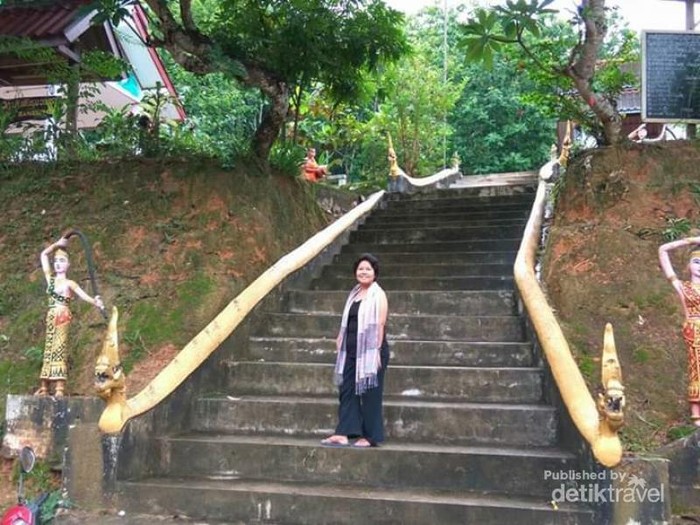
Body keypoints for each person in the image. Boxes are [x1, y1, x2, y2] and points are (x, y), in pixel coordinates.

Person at [321, 253, 389, 448]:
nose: (363, 272)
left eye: (368, 269)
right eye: (360, 269)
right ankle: (344, 432)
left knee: (370, 393)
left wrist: (376, 350)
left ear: (374, 273)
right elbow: (348, 322)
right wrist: (340, 338)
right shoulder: (354, 294)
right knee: (347, 390)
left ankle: (370, 436)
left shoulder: (378, 294)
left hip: (371, 352)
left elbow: (380, 324)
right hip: (350, 352)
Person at [35, 235, 104, 398]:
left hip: (62, 315)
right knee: (49, 348)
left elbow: (83, 295)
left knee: (59, 347)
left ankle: (59, 386)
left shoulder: (69, 283)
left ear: (68, 264)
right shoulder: (51, 280)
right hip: (52, 315)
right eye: (56, 261)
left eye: (62, 261)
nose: (58, 264)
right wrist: (57, 244)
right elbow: (43, 255)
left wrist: (95, 301)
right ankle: (44, 385)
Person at [659, 235, 700, 425]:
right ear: (689, 265)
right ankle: (696, 413)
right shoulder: (683, 287)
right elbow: (662, 250)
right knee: (696, 368)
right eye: (696, 262)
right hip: (694, 330)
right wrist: (691, 241)